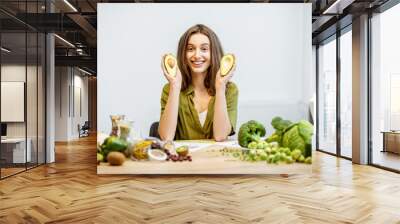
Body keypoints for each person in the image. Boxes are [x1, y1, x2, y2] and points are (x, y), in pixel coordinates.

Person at [158, 24, 238, 141]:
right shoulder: (169, 89)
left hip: (216, 158)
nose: (197, 55)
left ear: (213, 53)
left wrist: (220, 86)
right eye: (190, 49)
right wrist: (175, 86)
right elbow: (166, 137)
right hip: (184, 158)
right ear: (183, 55)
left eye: (204, 49)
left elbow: (220, 136)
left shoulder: (229, 89)